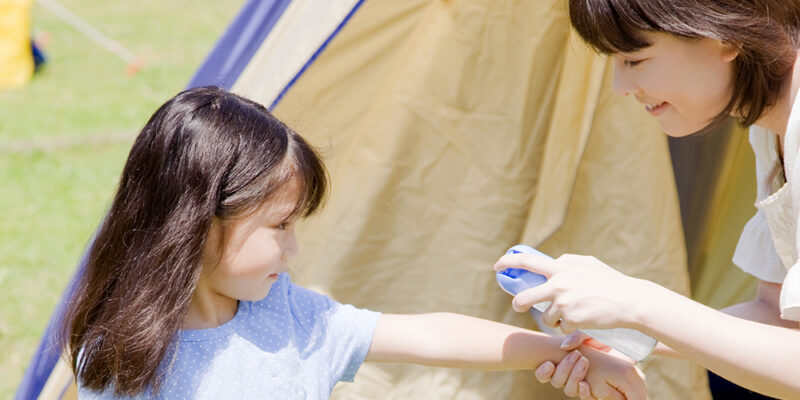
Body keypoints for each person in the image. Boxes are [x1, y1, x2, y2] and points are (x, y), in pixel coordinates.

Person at [58, 87, 644, 399]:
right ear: (200, 219)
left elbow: (431, 333)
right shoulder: (123, 358)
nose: (293, 253)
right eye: (280, 226)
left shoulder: (289, 316)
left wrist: (566, 352)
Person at [497, 0, 800, 398]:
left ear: (725, 36)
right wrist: (630, 331)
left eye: (634, 60)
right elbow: (777, 316)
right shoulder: (770, 127)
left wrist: (637, 303)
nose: (620, 87)